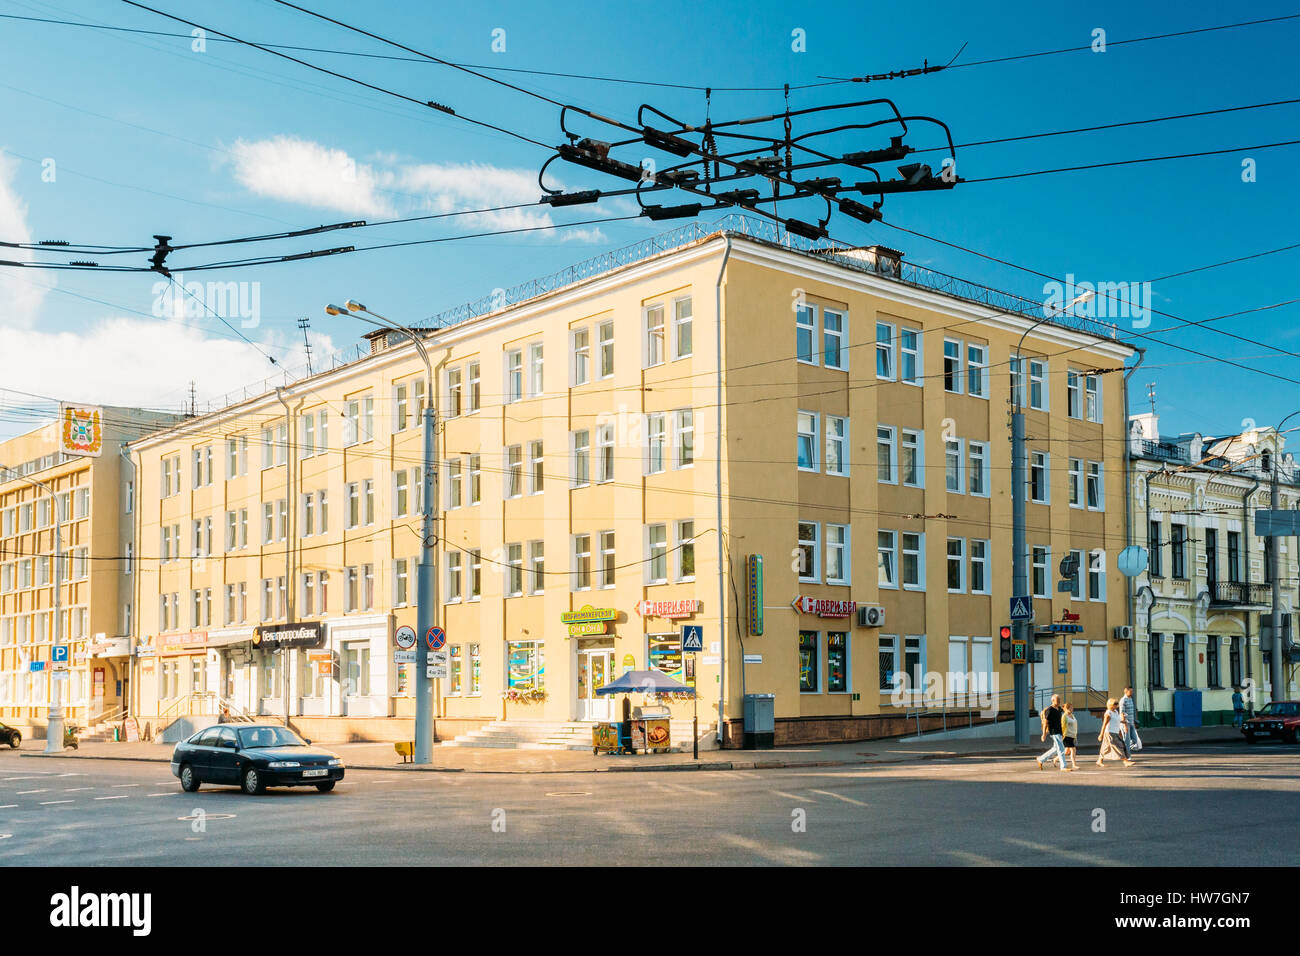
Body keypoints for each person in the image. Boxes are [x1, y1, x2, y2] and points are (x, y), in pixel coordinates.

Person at [1035, 694, 1070, 772]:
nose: (1059, 701)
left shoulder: (1059, 709)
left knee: (1055, 749)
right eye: (1058, 700)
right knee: (1061, 749)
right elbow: (1045, 722)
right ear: (1053, 700)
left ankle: (1041, 759)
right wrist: (1044, 734)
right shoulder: (1049, 710)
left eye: (1060, 700)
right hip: (1054, 732)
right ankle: (1063, 766)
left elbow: (1064, 711)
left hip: (1059, 731)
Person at [1097, 698, 1135, 768]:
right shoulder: (1108, 713)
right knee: (1118, 746)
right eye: (1115, 704)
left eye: (1117, 704)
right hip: (1109, 733)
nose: (1116, 705)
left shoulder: (1115, 712)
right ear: (1111, 705)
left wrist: (1124, 723)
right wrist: (1101, 734)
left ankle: (1099, 761)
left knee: (1105, 748)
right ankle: (1125, 761)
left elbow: (1118, 721)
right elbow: (1104, 724)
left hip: (1115, 732)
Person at [1061, 702, 1079, 771]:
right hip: (1067, 735)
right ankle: (1074, 765)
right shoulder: (1064, 716)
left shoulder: (1072, 715)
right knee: (1073, 749)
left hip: (1073, 735)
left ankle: (1055, 759)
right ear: (1067, 709)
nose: (1073, 709)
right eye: (1071, 708)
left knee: (1066, 752)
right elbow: (1062, 726)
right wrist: (1062, 735)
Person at [1121, 686, 1139, 751]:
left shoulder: (1130, 699)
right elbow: (1122, 713)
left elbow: (1132, 712)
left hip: (1131, 722)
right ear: (1126, 691)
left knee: (1135, 739)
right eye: (1130, 691)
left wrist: (1133, 722)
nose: (1132, 692)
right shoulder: (1123, 700)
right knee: (1127, 740)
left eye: (1132, 691)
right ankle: (1126, 754)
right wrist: (1125, 725)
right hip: (1126, 723)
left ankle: (1125, 749)